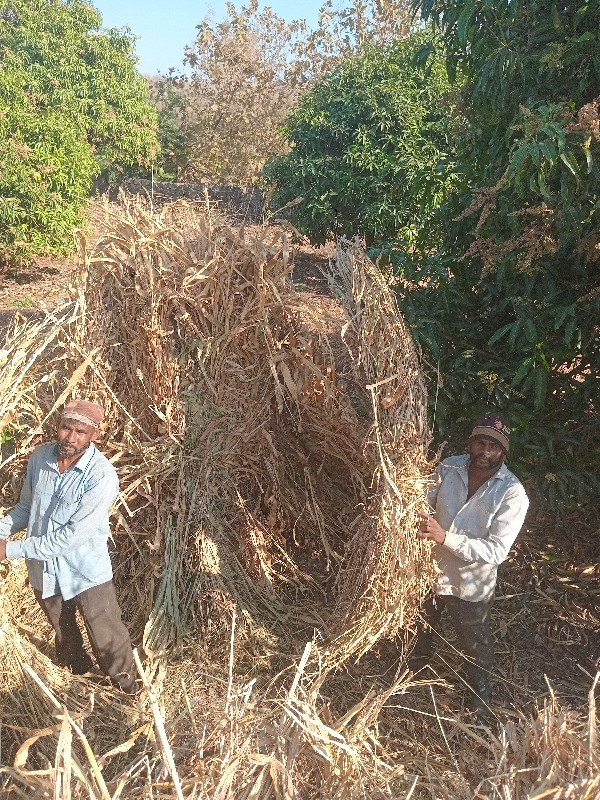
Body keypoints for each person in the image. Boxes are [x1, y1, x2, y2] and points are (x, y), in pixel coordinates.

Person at [0, 400, 137, 693]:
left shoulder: (101, 476)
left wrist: (10, 550)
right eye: (66, 428)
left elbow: (71, 537)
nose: (71, 438)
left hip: (85, 571)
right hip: (44, 570)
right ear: (57, 426)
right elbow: (26, 508)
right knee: (64, 630)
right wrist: (1, 531)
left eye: (81, 432)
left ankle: (128, 692)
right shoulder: (40, 458)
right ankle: (78, 681)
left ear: (94, 435)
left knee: (106, 635)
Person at [414, 412, 529, 716]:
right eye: (480, 443)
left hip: (469, 584)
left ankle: (478, 703)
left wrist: (444, 537)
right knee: (418, 629)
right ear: (471, 442)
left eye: (494, 447)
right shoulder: (450, 465)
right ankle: (411, 679)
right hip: (428, 570)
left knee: (474, 644)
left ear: (503, 452)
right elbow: (423, 500)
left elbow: (495, 552)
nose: (485, 452)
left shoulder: (512, 493)